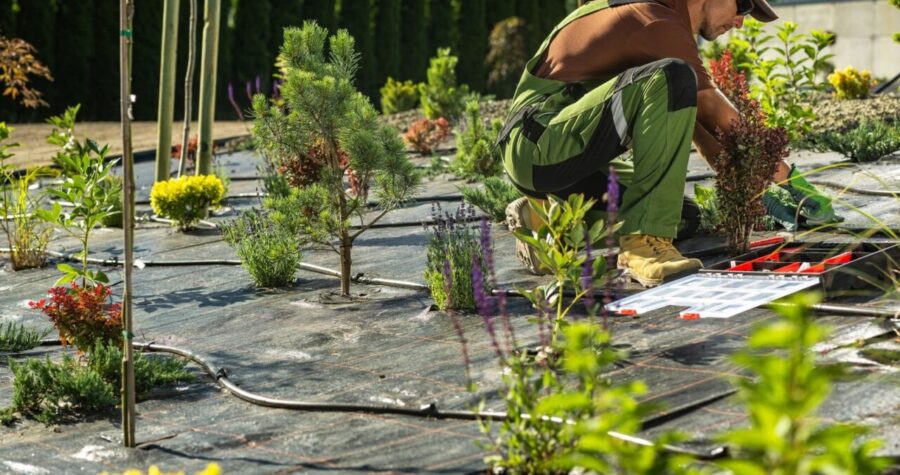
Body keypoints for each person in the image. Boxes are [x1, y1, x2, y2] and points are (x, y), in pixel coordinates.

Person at [499, 0, 842, 287]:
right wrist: (789, 179)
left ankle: (551, 220)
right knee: (674, 77)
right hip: (538, 146)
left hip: (569, 158)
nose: (739, 21)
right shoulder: (653, 17)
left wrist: (756, 192)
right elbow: (712, 108)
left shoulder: (664, 23)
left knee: (681, 217)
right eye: (742, 5)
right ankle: (641, 248)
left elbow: (703, 129)